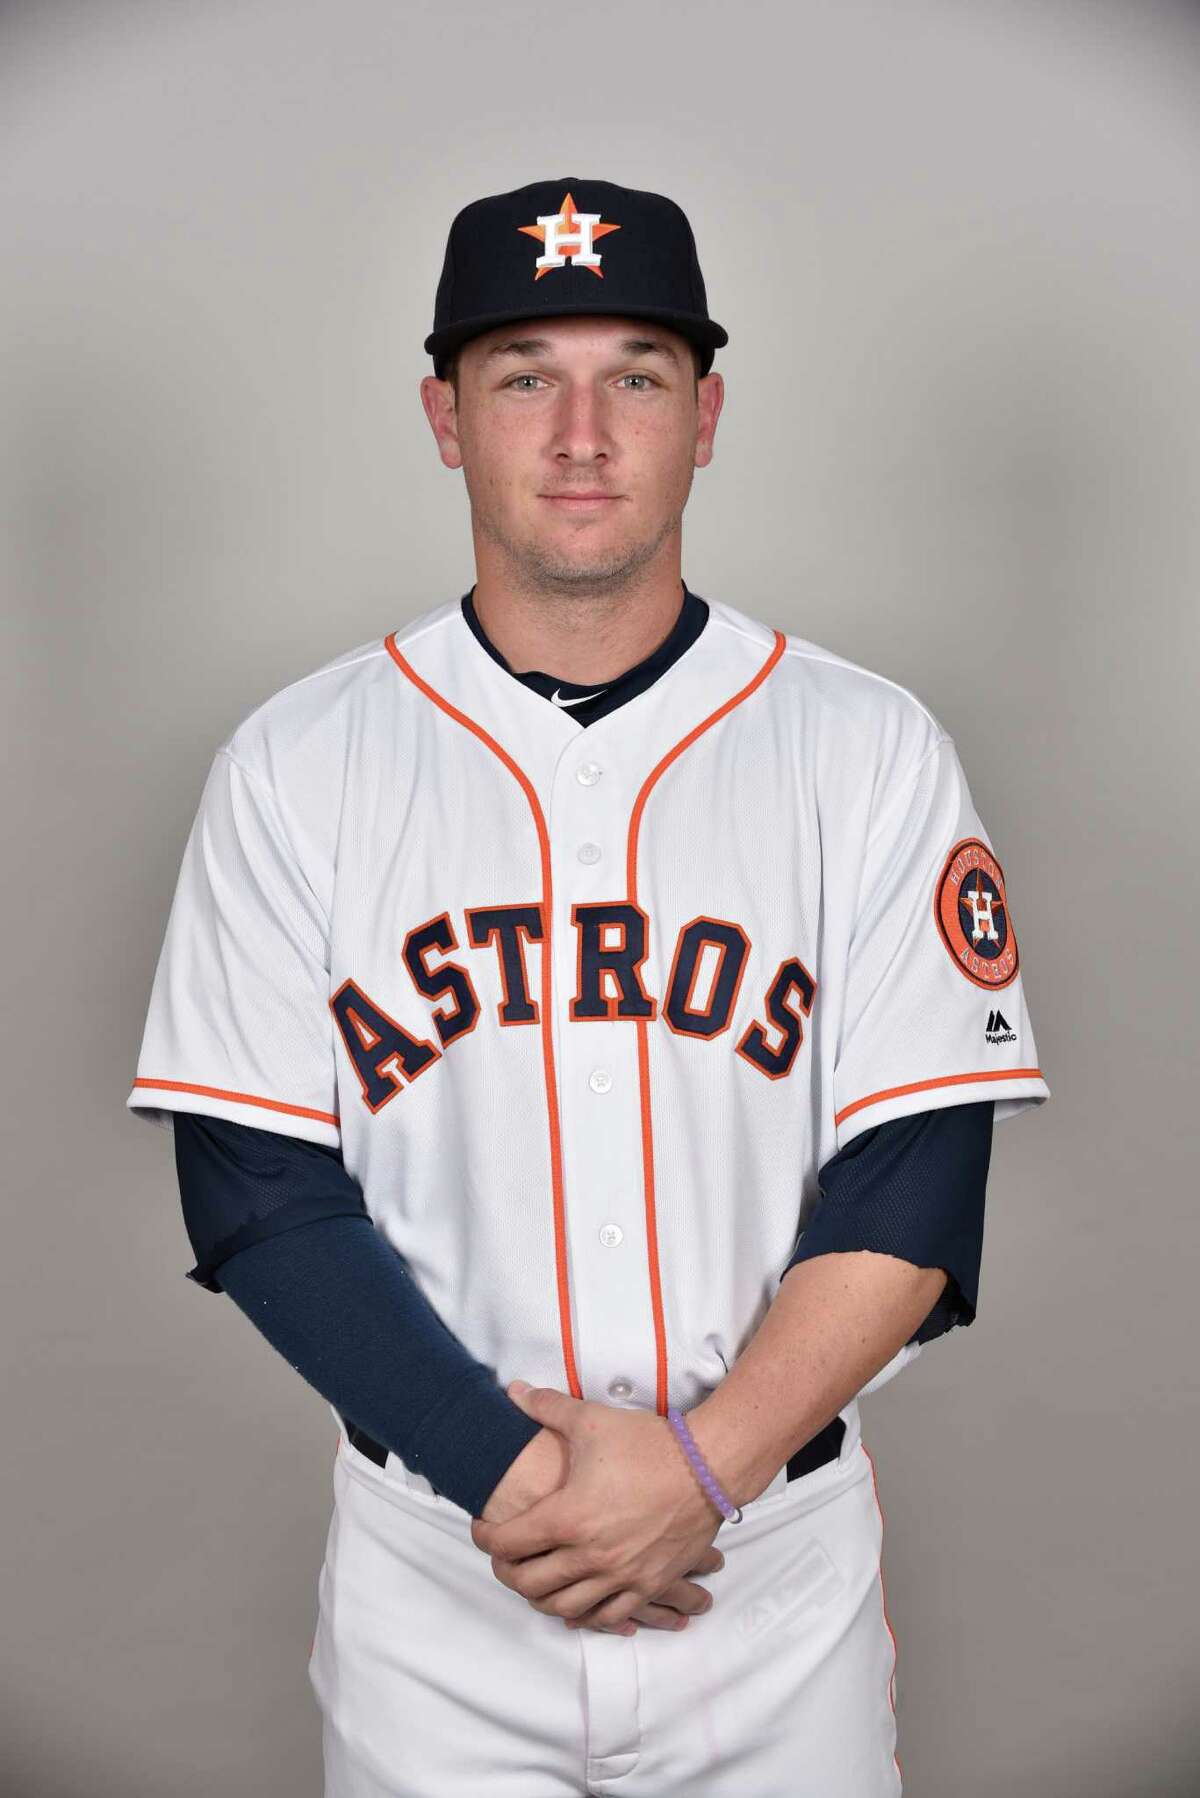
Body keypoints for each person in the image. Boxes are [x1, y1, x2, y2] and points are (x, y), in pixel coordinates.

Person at [126, 176, 1049, 1796]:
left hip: (771, 1564)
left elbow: (917, 1174)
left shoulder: (867, 747)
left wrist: (703, 1466)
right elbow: (257, 1186)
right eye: (520, 374)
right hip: (443, 1567)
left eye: (633, 374)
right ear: (442, 415)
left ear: (705, 416)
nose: (579, 432)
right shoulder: (298, 762)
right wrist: (518, 1476)